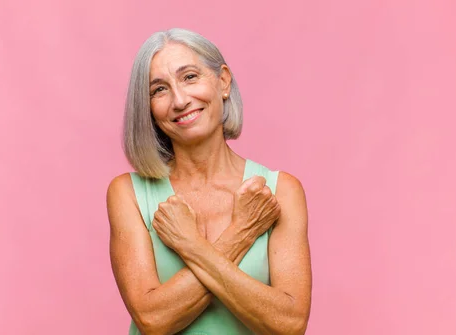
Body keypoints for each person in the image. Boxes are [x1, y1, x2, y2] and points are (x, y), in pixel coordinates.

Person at [107, 28, 312, 335]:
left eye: (190, 77)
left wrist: (189, 244)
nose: (179, 100)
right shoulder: (128, 194)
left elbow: (290, 324)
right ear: (148, 109)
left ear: (223, 81)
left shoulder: (280, 192)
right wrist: (242, 232)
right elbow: (153, 320)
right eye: (159, 90)